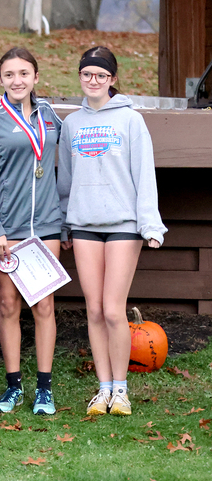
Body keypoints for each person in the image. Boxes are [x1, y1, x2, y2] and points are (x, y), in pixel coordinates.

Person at [58, 46, 167, 417]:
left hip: (123, 225)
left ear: (113, 80)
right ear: (80, 78)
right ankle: (102, 390)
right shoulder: (71, 124)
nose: (93, 81)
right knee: (93, 310)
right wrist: (64, 223)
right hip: (84, 225)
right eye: (87, 74)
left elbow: (144, 175)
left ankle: (121, 391)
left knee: (114, 310)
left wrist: (150, 223)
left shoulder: (131, 121)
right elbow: (65, 181)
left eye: (101, 76)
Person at [0, 47, 63, 415]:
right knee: (8, 305)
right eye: (9, 75)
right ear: (1, 79)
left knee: (43, 304)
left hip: (46, 226)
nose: (17, 81)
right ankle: (13, 386)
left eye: (24, 73)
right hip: (5, 230)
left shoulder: (52, 117)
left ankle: (44, 388)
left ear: (36, 77)